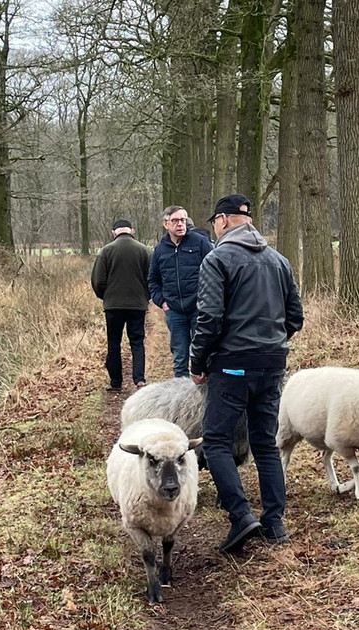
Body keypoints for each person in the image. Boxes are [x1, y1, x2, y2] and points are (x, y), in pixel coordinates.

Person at [189, 194, 304, 554]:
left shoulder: (217, 258)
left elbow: (209, 318)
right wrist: (270, 344)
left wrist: (197, 362)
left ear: (222, 221)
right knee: (265, 442)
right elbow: (295, 317)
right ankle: (274, 522)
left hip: (231, 363)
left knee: (218, 441)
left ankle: (240, 515)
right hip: (272, 362)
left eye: (214, 223)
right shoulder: (279, 260)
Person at [148, 206, 214, 377]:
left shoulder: (200, 243)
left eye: (183, 220)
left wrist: (207, 300)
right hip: (174, 311)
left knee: (204, 355)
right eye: (175, 221)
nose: (180, 224)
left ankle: (206, 397)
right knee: (179, 358)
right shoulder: (160, 250)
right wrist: (162, 302)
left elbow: (216, 272)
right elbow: (153, 279)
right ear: (166, 224)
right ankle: (181, 398)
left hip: (199, 309)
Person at [91, 219, 151, 392]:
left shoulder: (106, 251)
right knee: (137, 342)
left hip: (113, 306)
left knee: (114, 343)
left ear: (113, 232)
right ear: (132, 230)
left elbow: (98, 280)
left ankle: (115, 382)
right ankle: (139, 379)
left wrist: (106, 297)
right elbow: (152, 278)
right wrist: (145, 297)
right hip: (137, 305)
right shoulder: (145, 251)